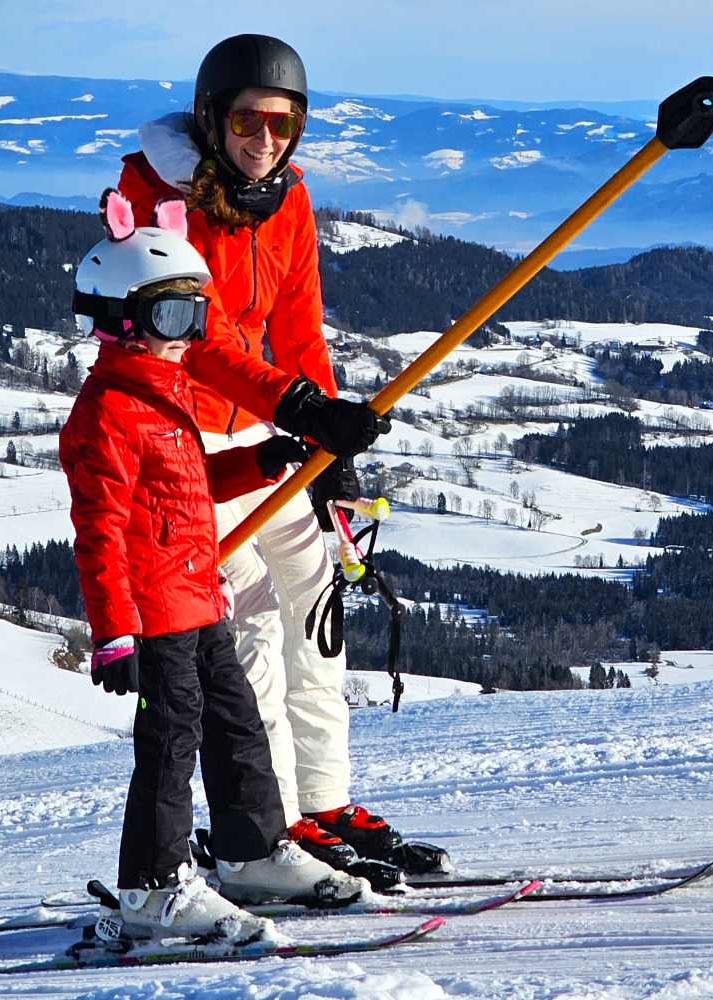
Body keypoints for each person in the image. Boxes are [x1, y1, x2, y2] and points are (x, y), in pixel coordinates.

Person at [115, 33, 446, 875]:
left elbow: (297, 323)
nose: (266, 139)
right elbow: (202, 338)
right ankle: (276, 823)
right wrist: (295, 405)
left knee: (314, 608)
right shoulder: (157, 200)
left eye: (284, 123)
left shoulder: (286, 200)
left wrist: (321, 433)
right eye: (248, 120)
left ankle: (328, 801)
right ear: (211, 119)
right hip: (188, 443)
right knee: (252, 630)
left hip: (264, 435)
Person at [60, 190, 370, 946]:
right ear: (119, 318)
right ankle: (151, 889)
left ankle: (252, 853)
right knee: (168, 749)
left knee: (236, 731)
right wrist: (113, 635)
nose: (186, 338)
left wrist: (264, 460)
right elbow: (98, 533)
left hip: (199, 599)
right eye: (172, 319)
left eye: (195, 317)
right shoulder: (106, 415)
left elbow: (191, 485)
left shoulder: (162, 399)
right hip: (154, 615)